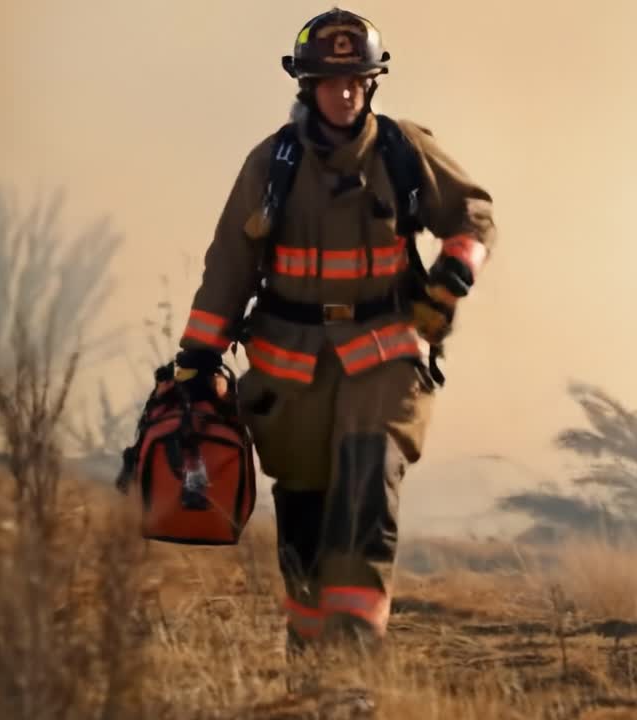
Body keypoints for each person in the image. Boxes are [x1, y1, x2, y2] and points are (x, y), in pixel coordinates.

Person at [171, 8, 496, 657]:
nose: (344, 92)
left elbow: (473, 211)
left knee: (368, 481)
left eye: (355, 80)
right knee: (304, 511)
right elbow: (228, 268)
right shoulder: (271, 165)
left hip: (387, 354)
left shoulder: (403, 152)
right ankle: (309, 649)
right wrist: (196, 360)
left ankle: (354, 653)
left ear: (371, 83)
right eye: (329, 80)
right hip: (290, 370)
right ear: (307, 85)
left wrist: (454, 270)